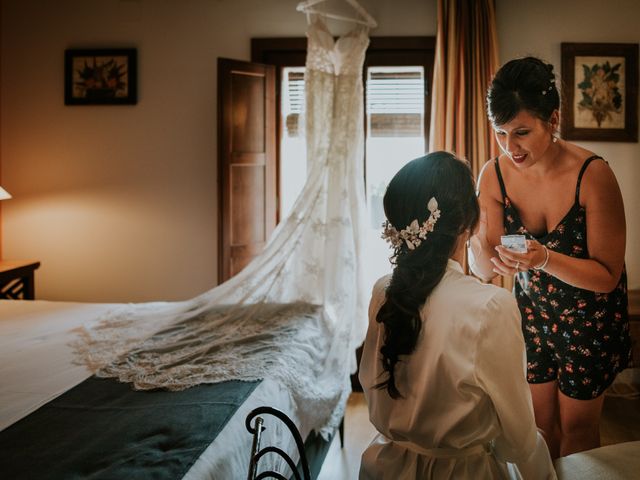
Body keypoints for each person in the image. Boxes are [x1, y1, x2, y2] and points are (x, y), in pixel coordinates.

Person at [468, 56, 631, 459]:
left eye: (521, 132)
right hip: (532, 316)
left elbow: (607, 275)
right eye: (500, 133)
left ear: (553, 118)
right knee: (539, 427)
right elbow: (483, 266)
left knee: (578, 431)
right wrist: (491, 260)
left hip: (589, 319)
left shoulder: (593, 175)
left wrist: (543, 260)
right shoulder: (494, 174)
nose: (510, 147)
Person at [359, 152, 556, 479]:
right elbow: (518, 441)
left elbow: (371, 386)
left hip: (384, 467)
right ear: (470, 222)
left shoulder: (383, 291)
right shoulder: (492, 306)